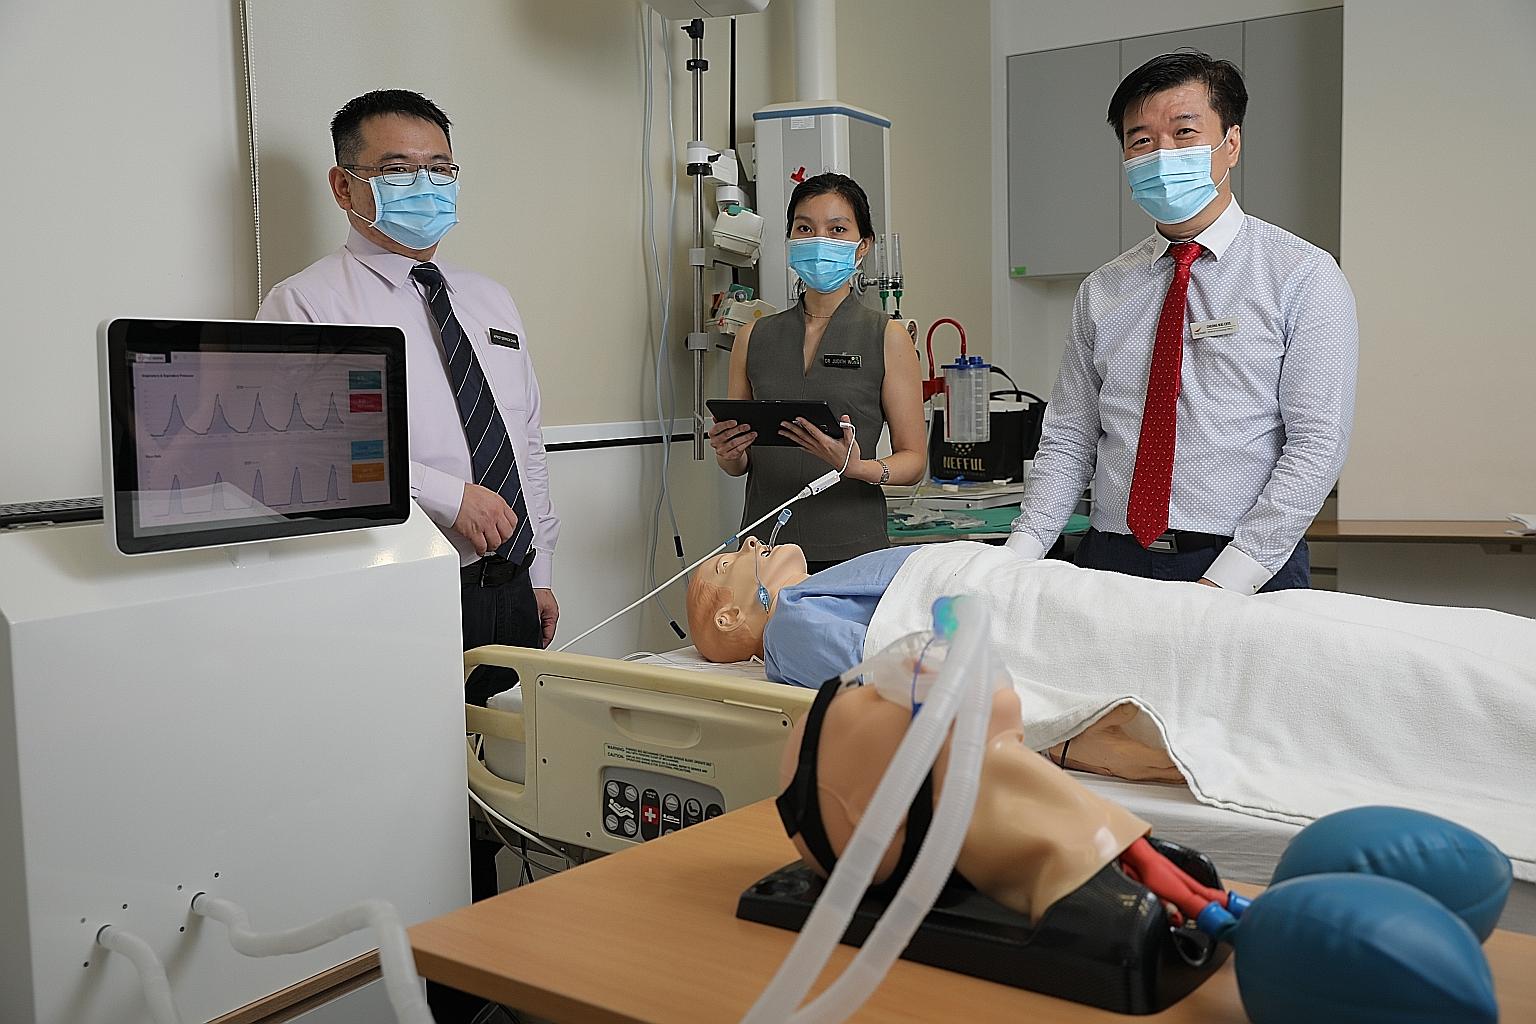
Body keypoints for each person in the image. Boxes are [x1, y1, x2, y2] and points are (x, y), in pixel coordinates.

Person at [255, 90, 557, 1019]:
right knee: (428, 814)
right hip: (400, 604)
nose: (423, 186)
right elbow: (301, 450)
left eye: (440, 169)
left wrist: (542, 575)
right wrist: (443, 494)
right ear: (347, 186)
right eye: (397, 171)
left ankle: (523, 978)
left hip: (508, 594)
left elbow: (527, 439)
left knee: (522, 794)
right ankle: (444, 997)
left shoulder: (490, 300)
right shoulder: (306, 302)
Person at [1007, 52, 1358, 594]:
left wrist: (1226, 582)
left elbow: (1315, 446)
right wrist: (1016, 559)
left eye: (1184, 133)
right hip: (1112, 560)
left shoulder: (1301, 275)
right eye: (1141, 140)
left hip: (1241, 564)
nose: (1161, 154)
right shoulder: (1103, 290)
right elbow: (1069, 438)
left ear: (1231, 144)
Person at [707, 173, 926, 573]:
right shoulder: (753, 336)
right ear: (791, 240)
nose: (819, 240)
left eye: (837, 229)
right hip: (763, 552)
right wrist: (728, 452)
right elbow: (738, 463)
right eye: (805, 228)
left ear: (863, 246)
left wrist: (858, 468)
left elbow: (914, 461)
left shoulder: (887, 337)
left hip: (852, 550)